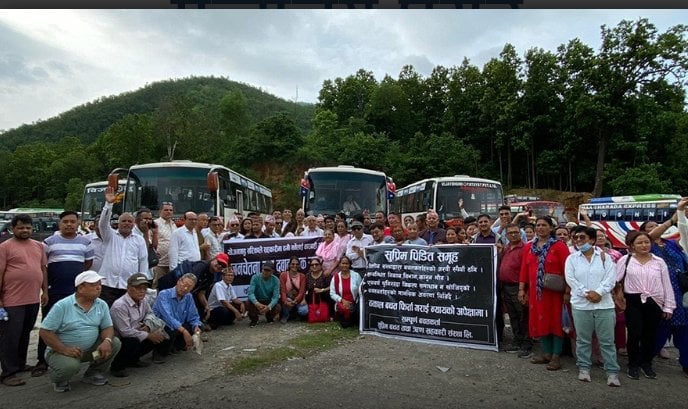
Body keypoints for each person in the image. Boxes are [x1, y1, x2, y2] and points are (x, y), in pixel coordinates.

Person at [39, 271, 122, 392]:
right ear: (81, 288)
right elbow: (45, 331)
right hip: (62, 352)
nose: (99, 287)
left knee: (114, 343)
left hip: (90, 352)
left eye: (100, 284)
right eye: (94, 285)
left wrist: (107, 341)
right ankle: (59, 378)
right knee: (70, 366)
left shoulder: (101, 304)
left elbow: (107, 327)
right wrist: (64, 349)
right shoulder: (62, 306)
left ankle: (93, 373)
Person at [34, 210, 93, 378]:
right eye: (65, 221)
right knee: (48, 324)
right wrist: (45, 290)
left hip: (76, 292)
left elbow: (87, 264)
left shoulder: (85, 242)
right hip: (54, 290)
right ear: (60, 224)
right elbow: (42, 267)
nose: (69, 224)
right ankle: (42, 360)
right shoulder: (48, 242)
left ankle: (73, 355)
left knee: (74, 324)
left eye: (72, 222)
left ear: (78, 223)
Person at [565, 226, 621, 387]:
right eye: (575, 238)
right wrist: (586, 293)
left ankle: (612, 372)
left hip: (604, 305)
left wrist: (599, 292)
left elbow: (611, 278)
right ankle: (584, 368)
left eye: (582, 237)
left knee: (607, 341)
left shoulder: (605, 257)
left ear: (592, 239)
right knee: (583, 339)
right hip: (581, 305)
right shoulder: (572, 259)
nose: (578, 241)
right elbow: (571, 279)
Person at [618, 230, 675, 380]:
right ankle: (633, 364)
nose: (644, 245)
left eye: (646, 242)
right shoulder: (626, 260)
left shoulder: (659, 261)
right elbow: (614, 280)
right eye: (639, 243)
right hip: (633, 300)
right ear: (632, 245)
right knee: (634, 333)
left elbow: (666, 284)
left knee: (650, 334)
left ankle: (646, 363)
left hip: (655, 301)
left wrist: (668, 306)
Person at [0, 214, 48, 386]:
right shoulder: (5, 247)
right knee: (10, 336)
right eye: (20, 227)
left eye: (27, 227)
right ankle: (8, 373)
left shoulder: (38, 246)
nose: (25, 230)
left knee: (24, 333)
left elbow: (42, 269)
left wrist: (45, 291)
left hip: (32, 299)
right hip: (11, 301)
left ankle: (20, 364)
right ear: (13, 229)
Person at [518, 216, 571, 371]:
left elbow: (568, 270)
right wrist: (522, 289)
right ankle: (546, 353)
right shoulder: (529, 247)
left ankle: (556, 356)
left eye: (544, 225)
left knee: (555, 322)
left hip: (554, 293)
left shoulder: (559, 246)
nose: (540, 228)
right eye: (538, 225)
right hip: (535, 292)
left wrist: (567, 292)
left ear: (550, 228)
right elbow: (524, 269)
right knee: (539, 320)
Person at [109, 273, 169, 377]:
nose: (142, 291)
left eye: (144, 288)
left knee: (158, 334)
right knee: (133, 341)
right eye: (138, 288)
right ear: (128, 288)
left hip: (138, 330)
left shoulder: (143, 300)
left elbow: (150, 314)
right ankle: (116, 367)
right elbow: (125, 331)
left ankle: (133, 360)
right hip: (121, 336)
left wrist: (147, 326)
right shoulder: (120, 305)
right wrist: (148, 335)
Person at [99, 187, 149, 306]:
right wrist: (109, 204)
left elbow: (143, 262)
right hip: (108, 284)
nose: (126, 223)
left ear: (133, 224)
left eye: (129, 221)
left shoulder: (139, 239)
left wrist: (142, 283)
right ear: (118, 223)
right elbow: (103, 223)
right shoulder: (109, 235)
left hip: (129, 286)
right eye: (124, 221)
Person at [158, 253, 230, 325]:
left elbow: (201, 293)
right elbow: (188, 285)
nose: (220, 266)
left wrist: (206, 305)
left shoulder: (211, 276)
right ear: (214, 259)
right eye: (219, 262)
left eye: (223, 265)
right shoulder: (202, 266)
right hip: (169, 284)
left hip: (183, 290)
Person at [499, 223, 532, 358]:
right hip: (506, 287)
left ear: (520, 233)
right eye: (510, 233)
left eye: (516, 232)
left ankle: (527, 344)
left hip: (518, 287)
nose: (513, 235)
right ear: (506, 235)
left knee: (523, 316)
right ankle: (517, 340)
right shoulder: (506, 248)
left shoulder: (525, 249)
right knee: (513, 316)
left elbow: (527, 270)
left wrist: (523, 290)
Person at [152, 273, 204, 354]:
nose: (185, 288)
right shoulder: (164, 294)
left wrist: (196, 326)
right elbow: (168, 318)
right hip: (163, 325)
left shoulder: (188, 296)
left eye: (189, 287)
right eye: (184, 284)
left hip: (178, 325)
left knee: (199, 326)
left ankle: (176, 347)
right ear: (179, 281)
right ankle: (159, 352)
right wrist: (184, 331)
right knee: (171, 329)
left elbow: (193, 315)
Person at [329, 256, 363, 328]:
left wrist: (354, 302)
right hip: (342, 303)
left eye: (346, 263)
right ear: (339, 265)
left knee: (356, 323)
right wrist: (342, 300)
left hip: (354, 303)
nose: (344, 265)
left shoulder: (356, 276)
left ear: (349, 265)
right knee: (345, 325)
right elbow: (332, 293)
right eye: (343, 263)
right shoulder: (335, 277)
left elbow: (361, 290)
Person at [247, 261, 281, 327]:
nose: (265, 272)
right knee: (248, 303)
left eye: (268, 270)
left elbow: (275, 297)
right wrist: (257, 303)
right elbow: (250, 293)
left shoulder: (276, 280)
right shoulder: (255, 277)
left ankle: (269, 317)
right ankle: (254, 320)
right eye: (264, 269)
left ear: (272, 272)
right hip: (257, 300)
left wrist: (269, 307)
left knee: (277, 307)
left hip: (268, 301)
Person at [153, 201, 177, 289]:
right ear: (160, 211)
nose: (169, 212)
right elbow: (150, 241)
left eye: (171, 210)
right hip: (160, 263)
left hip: (172, 263)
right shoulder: (155, 223)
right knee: (157, 286)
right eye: (166, 210)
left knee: (170, 287)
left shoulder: (173, 224)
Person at [279, 256, 308, 324]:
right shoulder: (283, 275)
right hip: (288, 299)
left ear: (299, 265)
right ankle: (285, 316)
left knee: (304, 311)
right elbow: (282, 291)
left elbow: (301, 292)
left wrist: (295, 301)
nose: (295, 266)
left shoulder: (302, 276)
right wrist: (286, 302)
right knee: (286, 301)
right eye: (293, 264)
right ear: (289, 265)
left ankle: (297, 315)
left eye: (297, 264)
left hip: (298, 299)